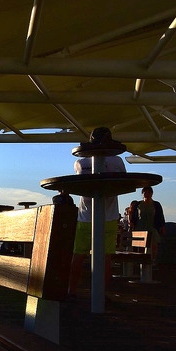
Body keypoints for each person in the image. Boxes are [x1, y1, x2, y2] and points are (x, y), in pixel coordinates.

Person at [67, 126, 126, 300]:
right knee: (105, 257)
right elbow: (123, 182)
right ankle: (101, 293)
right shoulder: (116, 161)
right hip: (108, 216)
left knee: (78, 254)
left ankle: (72, 291)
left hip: (85, 216)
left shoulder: (80, 163)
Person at [133, 186, 166, 264]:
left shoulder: (156, 204)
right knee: (141, 246)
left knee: (154, 244)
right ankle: (141, 262)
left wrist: (162, 227)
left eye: (148, 192)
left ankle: (153, 261)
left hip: (152, 227)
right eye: (145, 192)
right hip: (140, 227)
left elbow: (160, 216)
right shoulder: (138, 204)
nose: (146, 194)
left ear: (151, 193)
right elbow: (134, 217)